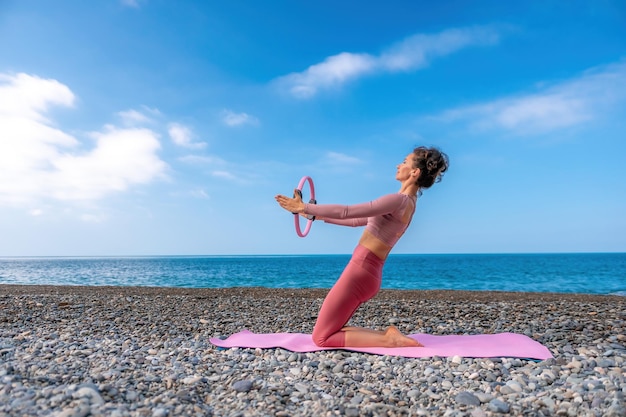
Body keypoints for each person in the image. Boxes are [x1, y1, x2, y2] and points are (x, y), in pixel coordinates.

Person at [275, 146, 449, 348]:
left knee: (321, 338)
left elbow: (347, 211)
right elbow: (356, 220)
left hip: (360, 272)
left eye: (404, 162)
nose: (398, 165)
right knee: (329, 331)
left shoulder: (398, 200)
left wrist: (304, 207)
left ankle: (388, 340)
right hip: (367, 272)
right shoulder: (406, 203)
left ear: (414, 172)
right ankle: (387, 335)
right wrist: (314, 216)